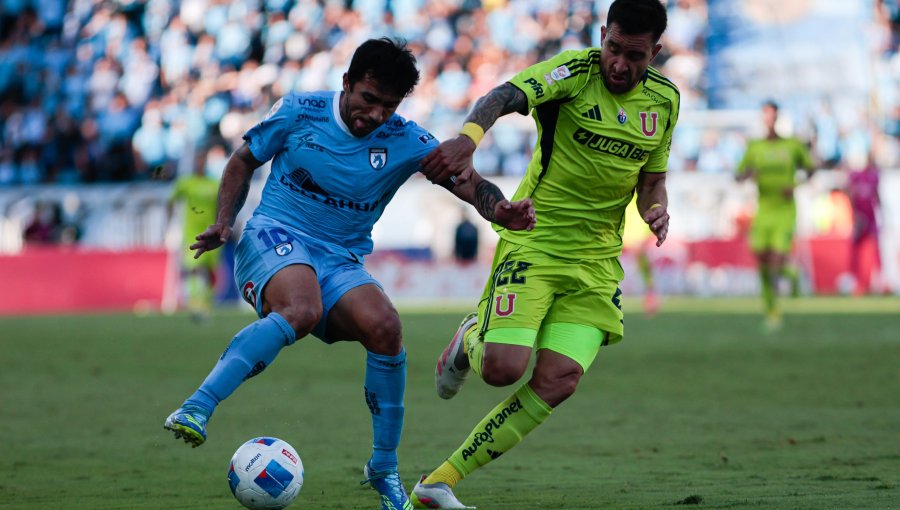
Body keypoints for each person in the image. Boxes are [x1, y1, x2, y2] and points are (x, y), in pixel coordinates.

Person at [162, 38, 535, 510]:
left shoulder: (407, 139)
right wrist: (223, 220)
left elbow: (467, 181)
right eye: (368, 99)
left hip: (340, 259)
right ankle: (196, 406)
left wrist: (500, 209)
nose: (375, 115)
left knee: (387, 328)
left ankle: (383, 468)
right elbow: (242, 161)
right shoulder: (298, 112)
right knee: (301, 309)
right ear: (347, 83)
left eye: (388, 106)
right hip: (275, 235)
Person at [410, 1, 676, 507]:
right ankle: (470, 338)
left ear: (655, 53)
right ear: (603, 33)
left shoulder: (665, 101)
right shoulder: (573, 73)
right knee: (502, 369)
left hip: (596, 262)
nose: (620, 64)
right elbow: (503, 95)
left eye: (635, 56)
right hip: (535, 240)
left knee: (560, 379)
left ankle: (438, 482)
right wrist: (468, 139)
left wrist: (656, 209)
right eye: (613, 48)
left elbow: (652, 181)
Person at [736, 101, 814, 332]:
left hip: (784, 210)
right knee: (762, 259)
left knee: (776, 259)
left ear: (777, 117)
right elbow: (738, 174)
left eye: (771, 114)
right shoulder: (755, 147)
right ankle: (787, 283)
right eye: (765, 115)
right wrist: (747, 174)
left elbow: (811, 169)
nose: (768, 119)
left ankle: (775, 306)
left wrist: (796, 184)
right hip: (763, 210)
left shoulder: (792, 145)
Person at [168, 151, 222, 318]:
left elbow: (222, 204)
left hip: (212, 232)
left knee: (210, 270)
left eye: (202, 160)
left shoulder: (214, 183)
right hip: (192, 232)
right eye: (197, 160)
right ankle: (194, 302)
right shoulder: (186, 183)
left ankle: (207, 301)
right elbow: (170, 201)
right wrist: (169, 224)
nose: (200, 163)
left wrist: (223, 224)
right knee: (194, 266)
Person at [846, 153, 882, 295]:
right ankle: (855, 281)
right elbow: (851, 194)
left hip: (871, 217)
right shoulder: (855, 176)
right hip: (860, 217)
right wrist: (855, 214)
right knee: (856, 249)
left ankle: (878, 280)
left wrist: (881, 211)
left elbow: (876, 195)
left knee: (876, 247)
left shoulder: (874, 177)